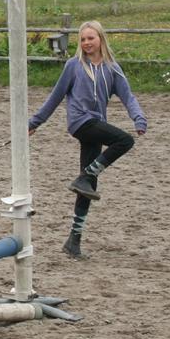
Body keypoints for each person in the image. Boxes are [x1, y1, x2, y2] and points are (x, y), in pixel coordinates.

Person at [28, 20, 147, 260]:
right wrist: (34, 123)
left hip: (96, 124)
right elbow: (55, 96)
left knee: (89, 187)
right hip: (81, 122)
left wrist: (138, 118)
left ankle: (74, 240)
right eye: (82, 39)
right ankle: (84, 176)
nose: (86, 43)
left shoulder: (113, 69)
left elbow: (128, 96)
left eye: (90, 38)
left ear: (101, 39)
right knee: (124, 141)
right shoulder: (73, 66)